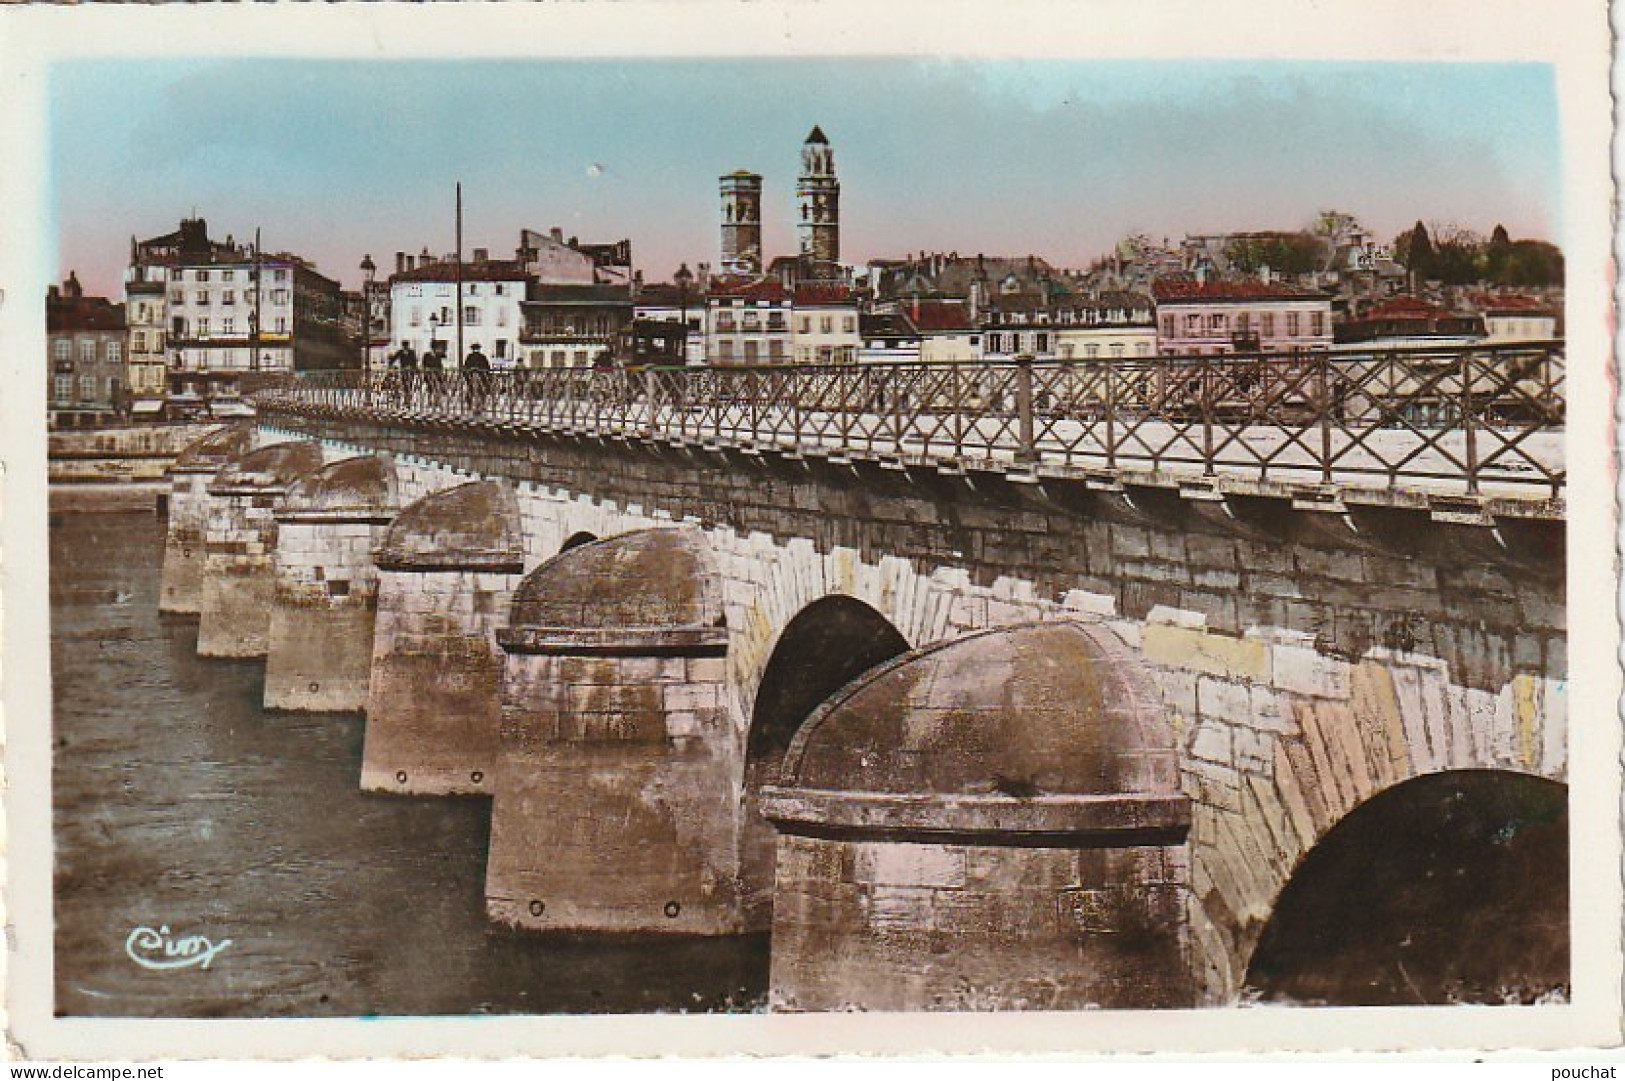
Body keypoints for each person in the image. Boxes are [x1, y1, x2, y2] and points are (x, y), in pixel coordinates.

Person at [462, 343, 491, 411]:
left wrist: (467, 376)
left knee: (472, 391)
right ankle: (480, 405)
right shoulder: (482, 357)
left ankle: (471, 405)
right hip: (479, 377)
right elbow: (487, 368)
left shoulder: (469, 357)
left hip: (473, 377)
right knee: (480, 392)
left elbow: (465, 367)